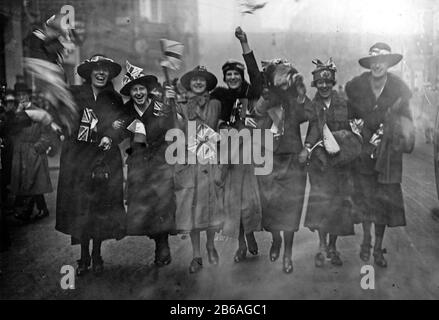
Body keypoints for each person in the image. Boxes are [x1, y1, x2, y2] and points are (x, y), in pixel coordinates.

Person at [345, 43, 415, 268]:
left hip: (388, 156)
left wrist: (401, 137)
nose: (378, 65)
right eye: (374, 61)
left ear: (388, 64)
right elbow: (349, 117)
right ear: (369, 64)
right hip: (363, 154)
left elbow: (407, 122)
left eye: (382, 61)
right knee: (365, 200)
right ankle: (366, 239)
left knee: (383, 202)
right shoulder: (356, 88)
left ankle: (378, 248)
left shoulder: (399, 92)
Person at [56, 55, 126, 276]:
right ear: (89, 73)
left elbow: (122, 122)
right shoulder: (75, 95)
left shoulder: (114, 98)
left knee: (100, 208)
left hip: (105, 160)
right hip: (79, 159)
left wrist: (111, 136)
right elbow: (65, 119)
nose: (101, 72)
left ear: (109, 74)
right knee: (81, 208)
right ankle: (84, 256)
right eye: (96, 69)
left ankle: (96, 254)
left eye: (105, 69)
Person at [300, 58, 359, 267]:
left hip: (342, 164)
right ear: (315, 85)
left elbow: (356, 127)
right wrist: (307, 148)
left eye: (327, 82)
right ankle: (322, 245)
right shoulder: (312, 104)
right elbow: (312, 129)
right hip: (320, 164)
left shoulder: (345, 103)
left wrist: (350, 137)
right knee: (321, 205)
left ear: (332, 83)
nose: (323, 86)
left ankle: (333, 247)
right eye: (319, 83)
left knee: (338, 207)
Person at [210, 27, 262, 263]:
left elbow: (256, 74)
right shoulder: (219, 96)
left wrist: (245, 43)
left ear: (241, 77)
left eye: (236, 75)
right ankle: (241, 243)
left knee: (249, 201)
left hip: (248, 153)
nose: (232, 78)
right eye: (228, 75)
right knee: (233, 203)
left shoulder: (250, 93)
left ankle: (250, 233)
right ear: (224, 78)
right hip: (227, 155)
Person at [253, 59, 309, 273]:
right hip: (268, 159)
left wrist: (301, 93)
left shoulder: (296, 99)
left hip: (293, 160)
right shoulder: (267, 97)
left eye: (288, 81)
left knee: (291, 209)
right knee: (270, 206)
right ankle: (275, 239)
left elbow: (309, 115)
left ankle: (287, 254)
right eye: (281, 81)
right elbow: (257, 111)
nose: (284, 85)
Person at [120, 61, 175, 267]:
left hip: (160, 161)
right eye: (134, 89)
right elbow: (119, 131)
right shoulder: (126, 112)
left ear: (147, 90)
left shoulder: (161, 107)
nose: (138, 93)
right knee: (145, 205)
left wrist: (173, 105)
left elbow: (173, 128)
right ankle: (156, 236)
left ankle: (163, 244)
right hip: (138, 163)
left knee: (162, 202)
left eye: (141, 88)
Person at [168, 66, 223, 273]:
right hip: (189, 162)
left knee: (210, 208)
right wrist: (173, 104)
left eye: (202, 80)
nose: (198, 83)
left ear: (207, 84)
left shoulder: (215, 104)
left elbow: (210, 128)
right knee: (191, 211)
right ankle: (197, 255)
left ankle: (210, 245)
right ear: (189, 83)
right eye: (194, 80)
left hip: (208, 159)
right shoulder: (180, 105)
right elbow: (175, 130)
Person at [10, 83, 53, 222]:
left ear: (28, 95)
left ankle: (27, 212)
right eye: (18, 95)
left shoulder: (38, 112)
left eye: (24, 94)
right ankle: (41, 209)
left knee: (32, 181)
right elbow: (11, 130)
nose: (21, 97)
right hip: (20, 151)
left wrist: (38, 147)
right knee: (29, 182)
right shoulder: (16, 113)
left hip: (33, 150)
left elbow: (48, 133)